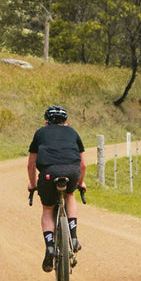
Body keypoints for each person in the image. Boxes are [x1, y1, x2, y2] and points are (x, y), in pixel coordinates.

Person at [27, 105, 87, 272]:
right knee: (69, 195)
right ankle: (73, 237)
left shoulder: (40, 133)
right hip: (72, 171)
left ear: (46, 122)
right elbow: (83, 164)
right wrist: (80, 182)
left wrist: (33, 184)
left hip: (48, 173)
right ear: (65, 122)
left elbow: (31, 164)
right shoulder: (73, 133)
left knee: (48, 208)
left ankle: (50, 246)